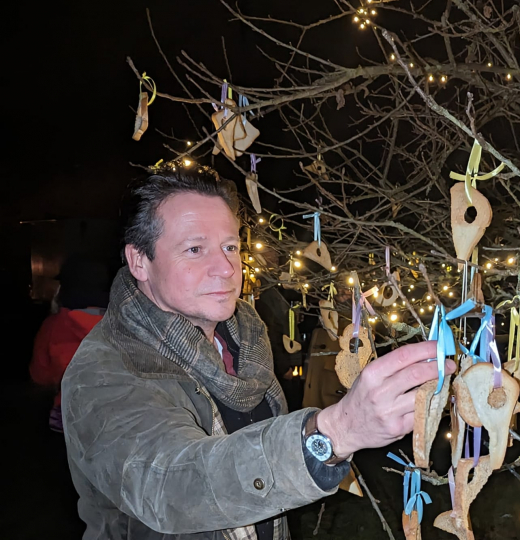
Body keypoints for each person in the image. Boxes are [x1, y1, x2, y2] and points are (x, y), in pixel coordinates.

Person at [61, 167, 452, 540]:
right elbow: (171, 484)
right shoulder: (104, 369)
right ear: (139, 262)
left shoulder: (245, 333)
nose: (227, 268)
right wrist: (333, 433)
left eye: (230, 246)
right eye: (195, 249)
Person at [29, 255, 109, 432]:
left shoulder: (53, 326)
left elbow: (39, 375)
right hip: (120, 421)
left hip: (68, 420)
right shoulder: (127, 324)